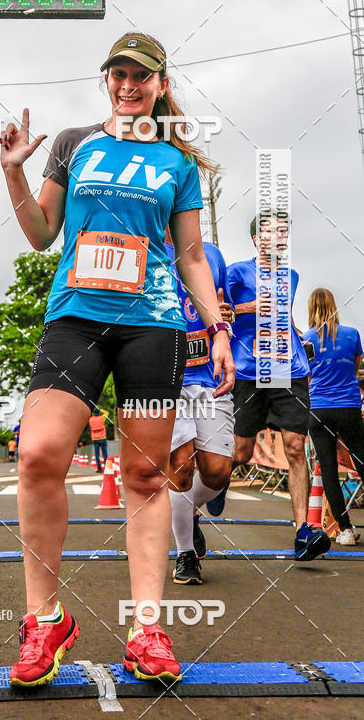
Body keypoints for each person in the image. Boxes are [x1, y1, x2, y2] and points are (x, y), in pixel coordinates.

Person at [0, 32, 234, 687]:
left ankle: (147, 628)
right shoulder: (74, 145)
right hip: (75, 318)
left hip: (152, 328)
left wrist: (216, 328)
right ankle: (45, 622)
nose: (127, 85)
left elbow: (189, 256)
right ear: (107, 80)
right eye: (117, 74)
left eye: (141, 76)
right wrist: (14, 170)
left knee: (147, 476)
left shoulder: (176, 164)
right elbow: (43, 235)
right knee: (39, 453)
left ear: (160, 84)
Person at [225, 213, 331, 561]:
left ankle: (302, 531)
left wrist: (301, 338)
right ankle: (202, 500)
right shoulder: (237, 272)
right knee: (240, 452)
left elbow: (283, 314)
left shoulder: (292, 276)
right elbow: (221, 311)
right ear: (257, 240)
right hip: (249, 372)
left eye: (284, 232)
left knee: (295, 448)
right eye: (271, 232)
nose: (279, 238)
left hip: (289, 371)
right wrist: (248, 308)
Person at [166, 235, 235, 585]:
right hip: (166, 374)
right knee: (180, 467)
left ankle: (189, 509)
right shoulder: (143, 248)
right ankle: (185, 555)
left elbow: (225, 305)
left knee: (217, 473)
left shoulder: (210, 254)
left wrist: (226, 316)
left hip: (208, 374)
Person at [303, 288, 364, 546]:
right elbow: (355, 365)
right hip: (349, 406)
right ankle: (346, 527)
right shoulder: (352, 335)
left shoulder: (306, 340)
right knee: (361, 460)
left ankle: (346, 529)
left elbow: (305, 376)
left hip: (319, 409)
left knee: (328, 469)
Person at [89, 406, 108, 473]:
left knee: (97, 454)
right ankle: (107, 467)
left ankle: (99, 468)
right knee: (105, 453)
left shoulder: (90, 419)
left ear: (94, 413)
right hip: (102, 438)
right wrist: (101, 409)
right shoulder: (102, 418)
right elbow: (107, 412)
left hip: (95, 439)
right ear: (99, 412)